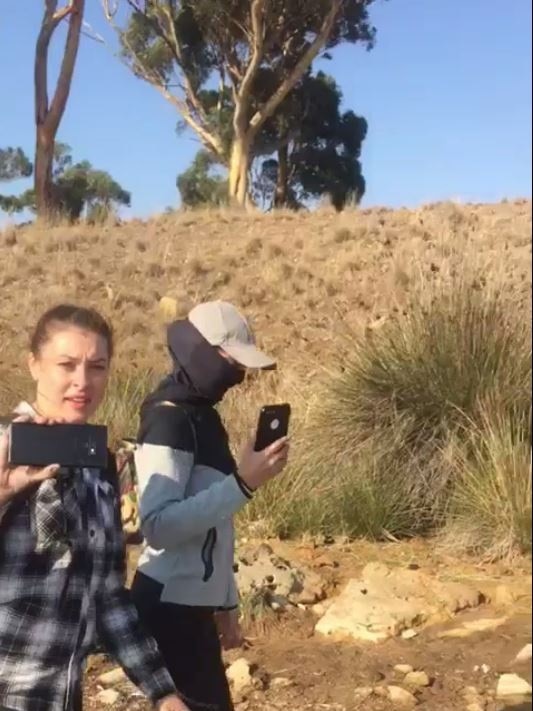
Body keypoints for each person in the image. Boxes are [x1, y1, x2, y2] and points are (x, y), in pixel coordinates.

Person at [0, 304, 190, 711]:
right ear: (34, 365)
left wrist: (163, 693)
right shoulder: (2, 448)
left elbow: (107, 596)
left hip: (59, 698)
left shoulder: (99, 468)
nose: (82, 382)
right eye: (66, 365)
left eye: (97, 367)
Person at [130, 300, 290, 711]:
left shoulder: (204, 417)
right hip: (167, 608)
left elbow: (214, 526)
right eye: (230, 361)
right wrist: (243, 482)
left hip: (192, 607)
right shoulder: (168, 420)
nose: (237, 376)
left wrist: (225, 602)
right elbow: (158, 526)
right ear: (201, 351)